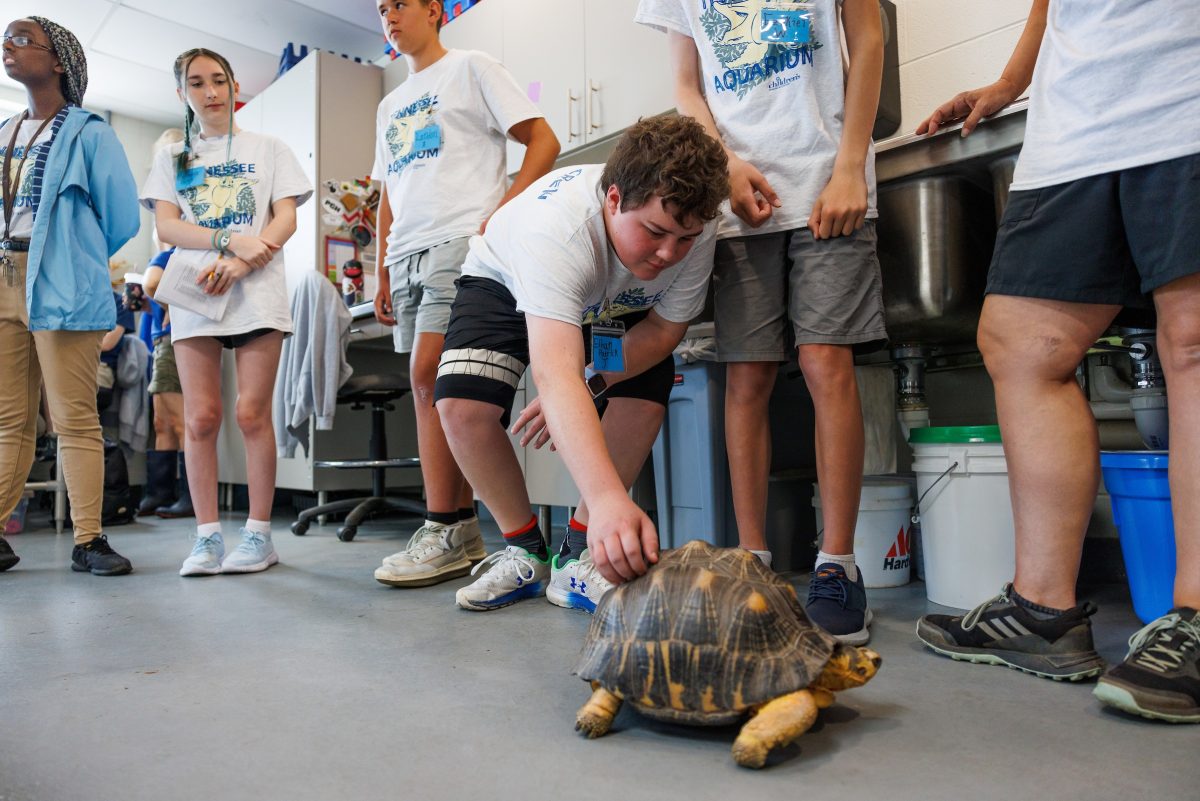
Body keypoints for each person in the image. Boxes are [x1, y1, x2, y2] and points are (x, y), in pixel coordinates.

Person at [913, 0, 1200, 723]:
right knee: (1020, 340)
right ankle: (1043, 611)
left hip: (1185, 88)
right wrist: (1013, 81)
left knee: (1193, 340)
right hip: (1078, 117)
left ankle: (1196, 617)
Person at [635, 0, 886, 643]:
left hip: (829, 182)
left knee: (825, 362)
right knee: (745, 376)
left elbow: (868, 34)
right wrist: (725, 165)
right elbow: (687, 86)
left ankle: (838, 564)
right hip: (741, 198)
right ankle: (754, 562)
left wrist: (852, 163)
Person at [432, 115, 729, 611]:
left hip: (619, 296)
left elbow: (662, 332)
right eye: (655, 231)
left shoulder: (694, 231)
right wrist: (616, 496)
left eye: (685, 238)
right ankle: (524, 550)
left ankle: (578, 556)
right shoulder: (559, 234)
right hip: (505, 277)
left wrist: (586, 383)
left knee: (643, 395)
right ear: (613, 199)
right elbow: (555, 372)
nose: (667, 253)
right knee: (463, 403)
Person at [370, 0, 560, 588]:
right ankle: (454, 527)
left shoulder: (472, 66)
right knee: (424, 388)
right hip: (405, 254)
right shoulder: (388, 104)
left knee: (430, 375)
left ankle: (445, 527)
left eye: (400, 5)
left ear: (434, 11)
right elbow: (387, 193)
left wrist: (502, 211)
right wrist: (380, 267)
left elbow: (544, 141)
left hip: (461, 240)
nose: (390, 17)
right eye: (381, 9)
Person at [141, 48, 312, 577]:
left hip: (256, 290)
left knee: (251, 414)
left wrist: (242, 261)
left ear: (235, 85)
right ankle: (207, 537)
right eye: (197, 83)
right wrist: (226, 239)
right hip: (196, 293)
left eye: (219, 80)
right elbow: (167, 228)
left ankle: (260, 536)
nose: (210, 92)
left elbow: (286, 218)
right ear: (182, 94)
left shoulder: (270, 147)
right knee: (200, 418)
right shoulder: (171, 158)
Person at [0, 16, 140, 575]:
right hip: (4, 277)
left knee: (74, 418)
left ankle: (89, 540)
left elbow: (122, 217)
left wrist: (73, 257)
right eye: (4, 40)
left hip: (61, 281)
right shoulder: (5, 130)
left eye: (21, 39)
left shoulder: (90, 132)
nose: (8, 47)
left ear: (58, 59)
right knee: (10, 422)